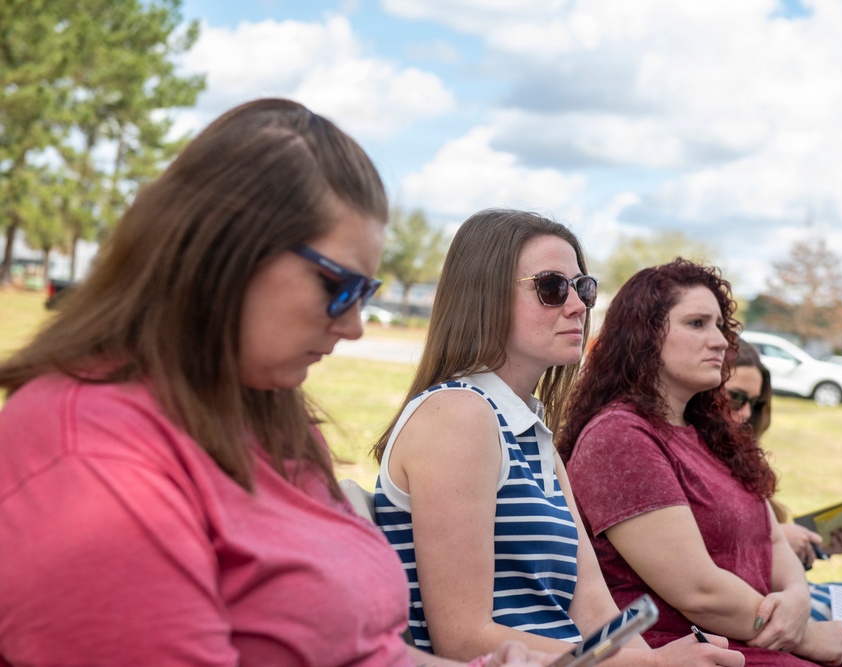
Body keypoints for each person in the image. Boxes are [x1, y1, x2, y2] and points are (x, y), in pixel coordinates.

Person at [0, 99, 549, 667]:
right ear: (223, 249)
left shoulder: (267, 417)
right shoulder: (91, 462)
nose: (355, 326)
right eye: (339, 286)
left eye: (366, 294)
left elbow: (367, 652)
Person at [372, 210, 744, 667]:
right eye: (551, 287)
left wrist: (655, 663)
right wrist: (654, 665)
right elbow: (465, 639)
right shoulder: (458, 415)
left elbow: (593, 607)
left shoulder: (528, 428)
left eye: (583, 287)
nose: (578, 306)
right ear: (483, 296)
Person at [559, 259, 842, 667]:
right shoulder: (620, 437)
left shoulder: (713, 432)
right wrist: (805, 635)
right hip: (694, 652)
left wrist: (798, 600)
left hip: (761, 642)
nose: (720, 340)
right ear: (644, 335)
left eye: (721, 326)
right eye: (697, 324)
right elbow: (698, 592)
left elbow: (773, 540)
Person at [727, 342, 842, 622]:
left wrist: (816, 545)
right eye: (735, 398)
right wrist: (775, 540)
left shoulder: (739, 459)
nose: (745, 414)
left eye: (755, 404)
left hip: (777, 594)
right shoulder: (691, 459)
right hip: (748, 608)